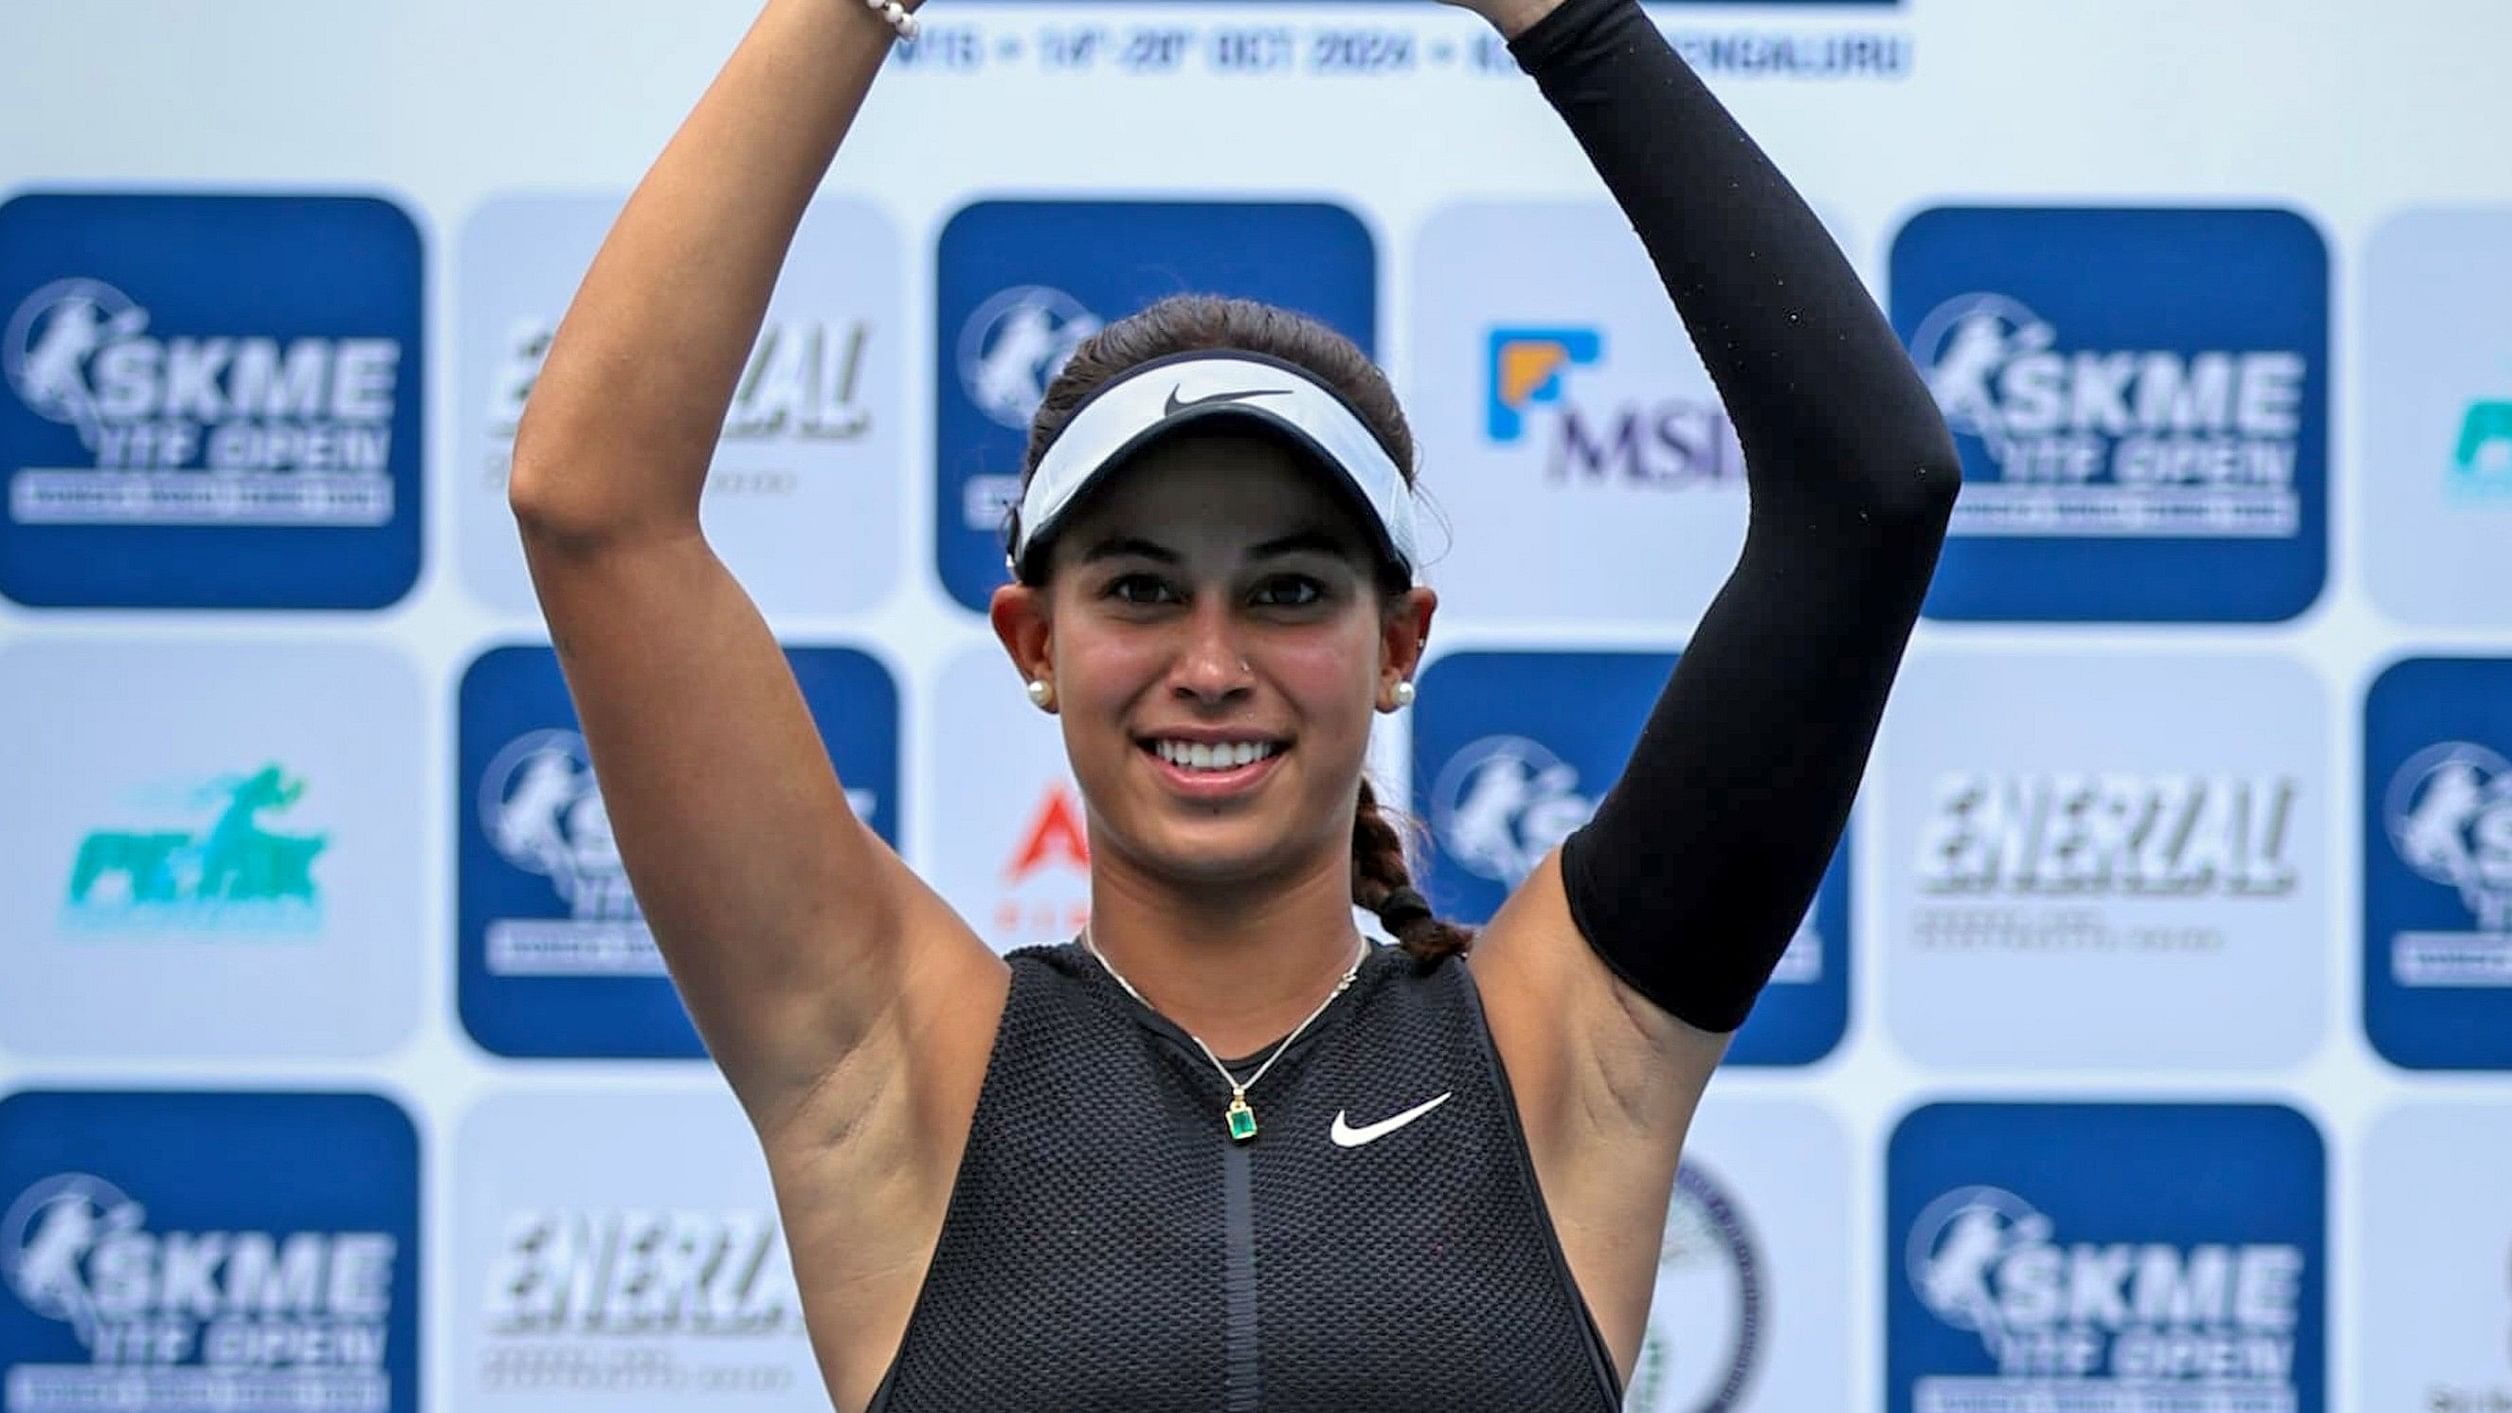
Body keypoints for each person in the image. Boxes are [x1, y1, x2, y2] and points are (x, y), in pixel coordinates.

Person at [505, 0, 1959, 1402]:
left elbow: (1873, 492)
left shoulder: (1559, 1062)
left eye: (1285, 593)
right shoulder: (899, 1068)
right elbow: (593, 504)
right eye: (1140, 589)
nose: (1211, 662)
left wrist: (1561, 16)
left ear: (1400, 641)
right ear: (1033, 640)